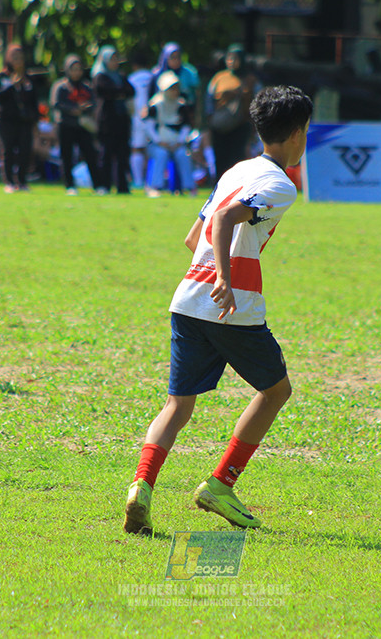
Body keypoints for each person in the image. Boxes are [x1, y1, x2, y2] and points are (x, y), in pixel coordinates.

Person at [123, 86, 313, 535]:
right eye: (306, 131)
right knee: (275, 391)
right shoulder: (281, 184)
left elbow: (195, 237)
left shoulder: (236, 170)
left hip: (187, 297)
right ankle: (220, 485)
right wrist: (226, 278)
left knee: (177, 404)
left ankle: (140, 488)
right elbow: (226, 220)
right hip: (231, 305)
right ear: (296, 134)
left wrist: (211, 269)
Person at [206, 44, 261, 179]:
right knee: (220, 157)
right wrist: (209, 119)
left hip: (241, 125)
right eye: (229, 58)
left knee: (237, 158)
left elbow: (259, 102)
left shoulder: (251, 80)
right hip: (220, 125)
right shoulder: (219, 77)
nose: (231, 61)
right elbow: (209, 99)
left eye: (235, 58)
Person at [0, 45, 39, 193]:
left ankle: (22, 181)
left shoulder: (28, 78)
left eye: (20, 56)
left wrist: (35, 120)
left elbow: (33, 101)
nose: (17, 60)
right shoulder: (2, 77)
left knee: (25, 150)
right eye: (14, 56)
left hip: (25, 121)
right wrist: (12, 85)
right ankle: (9, 182)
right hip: (6, 120)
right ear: (8, 59)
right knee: (8, 151)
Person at [52, 54, 101, 196]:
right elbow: (56, 104)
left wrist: (85, 108)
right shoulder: (60, 86)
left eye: (79, 69)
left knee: (90, 155)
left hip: (83, 126)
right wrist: (72, 109)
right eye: (73, 69)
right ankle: (69, 185)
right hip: (66, 125)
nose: (76, 72)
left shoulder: (87, 87)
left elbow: (93, 103)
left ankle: (97, 185)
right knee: (66, 156)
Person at [144, 70, 197, 198]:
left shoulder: (181, 105)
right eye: (171, 88)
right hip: (158, 144)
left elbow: (185, 126)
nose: (175, 92)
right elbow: (149, 127)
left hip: (177, 144)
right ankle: (154, 187)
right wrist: (159, 141)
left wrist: (180, 141)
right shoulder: (154, 105)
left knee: (183, 155)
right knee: (161, 154)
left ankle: (190, 187)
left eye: (176, 88)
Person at [92, 45, 135, 195]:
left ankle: (122, 186)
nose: (114, 62)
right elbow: (105, 91)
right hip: (106, 122)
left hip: (121, 122)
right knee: (106, 155)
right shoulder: (100, 76)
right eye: (111, 59)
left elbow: (130, 91)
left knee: (122, 156)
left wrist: (117, 93)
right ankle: (104, 185)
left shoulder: (121, 76)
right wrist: (118, 92)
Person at [127, 51, 154, 189]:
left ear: (134, 65)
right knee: (151, 150)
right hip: (152, 117)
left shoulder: (131, 78)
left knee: (136, 149)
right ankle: (151, 182)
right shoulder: (152, 77)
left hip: (136, 117)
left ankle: (138, 181)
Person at [151, 43, 199, 111]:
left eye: (178, 57)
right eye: (173, 57)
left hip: (183, 111)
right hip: (162, 111)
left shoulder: (189, 73)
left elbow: (195, 94)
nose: (176, 60)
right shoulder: (157, 74)